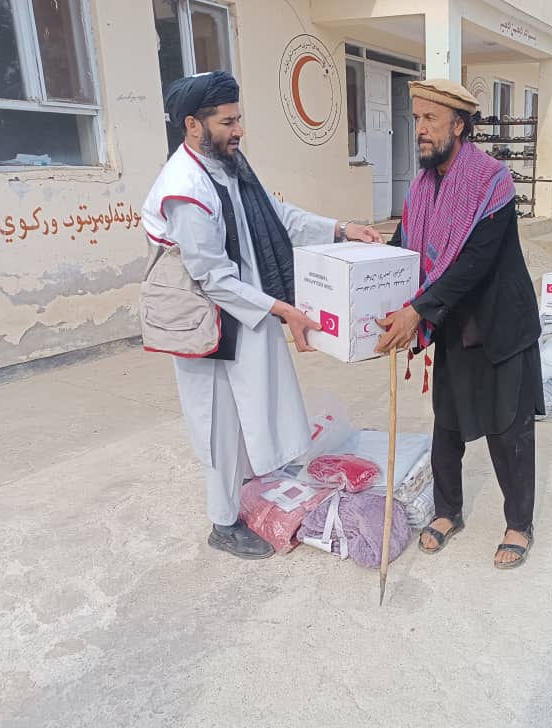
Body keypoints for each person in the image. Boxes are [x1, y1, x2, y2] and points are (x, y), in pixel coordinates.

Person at [141, 71, 381, 559]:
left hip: (246, 312)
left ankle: (250, 489)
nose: (238, 130)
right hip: (209, 326)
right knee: (219, 427)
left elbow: (278, 216)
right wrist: (283, 310)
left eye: (239, 119)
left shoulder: (227, 167)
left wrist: (340, 228)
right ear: (192, 125)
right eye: (228, 121)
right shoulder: (186, 188)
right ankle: (223, 523)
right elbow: (211, 278)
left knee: (252, 410)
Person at [374, 79, 543, 570]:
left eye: (430, 120)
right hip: (451, 324)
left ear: (460, 125)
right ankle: (448, 511)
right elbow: (404, 250)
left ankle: (519, 523)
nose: (420, 130)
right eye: (417, 119)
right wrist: (371, 282)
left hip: (499, 325)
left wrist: (418, 311)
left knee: (507, 429)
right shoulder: (423, 188)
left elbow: (473, 262)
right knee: (446, 423)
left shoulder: (493, 182)